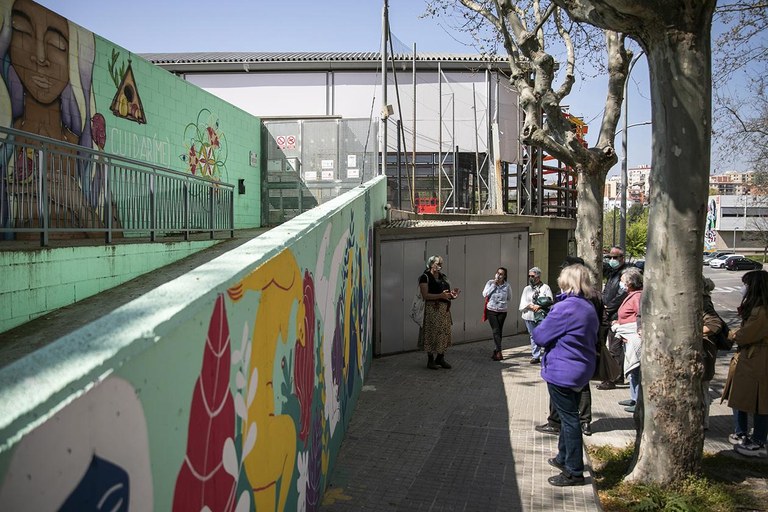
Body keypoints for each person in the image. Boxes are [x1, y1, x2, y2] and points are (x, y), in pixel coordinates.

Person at [534, 264, 598, 486]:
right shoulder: (587, 306)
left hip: (563, 370)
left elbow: (540, 336)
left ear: (567, 281)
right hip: (581, 369)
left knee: (569, 420)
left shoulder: (565, 308)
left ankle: (573, 471)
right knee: (566, 415)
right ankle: (563, 457)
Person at [721, 269, 768, 457]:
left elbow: (745, 335)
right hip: (751, 359)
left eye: (746, 284)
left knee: (760, 401)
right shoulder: (757, 308)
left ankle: (758, 441)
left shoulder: (761, 311)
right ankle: (744, 434)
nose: (743, 288)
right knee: (744, 398)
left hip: (757, 360)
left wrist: (732, 334)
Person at [418, 255, 460, 370]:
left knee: (444, 333)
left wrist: (452, 295)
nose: (440, 266)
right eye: (437, 263)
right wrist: (440, 295)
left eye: (441, 264)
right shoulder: (425, 277)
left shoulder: (443, 277)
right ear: (431, 264)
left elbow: (446, 294)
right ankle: (430, 360)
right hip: (432, 310)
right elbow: (425, 295)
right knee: (431, 333)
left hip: (444, 310)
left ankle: (440, 358)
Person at [597, 246, 629, 390]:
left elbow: (622, 294)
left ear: (622, 258)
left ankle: (614, 378)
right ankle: (617, 376)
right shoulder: (613, 273)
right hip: (610, 315)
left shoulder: (624, 274)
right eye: (610, 257)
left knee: (614, 348)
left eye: (615, 257)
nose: (612, 260)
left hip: (616, 316)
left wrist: (608, 308)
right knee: (612, 347)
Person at [611, 267, 643, 412]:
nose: (621, 284)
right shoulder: (632, 295)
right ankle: (634, 397)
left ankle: (638, 401)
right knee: (633, 372)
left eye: (623, 281)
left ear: (629, 283)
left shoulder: (637, 296)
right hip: (626, 337)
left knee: (636, 370)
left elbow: (640, 315)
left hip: (633, 338)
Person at [701, 276, 725, 430]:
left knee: (702, 387)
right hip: (702, 351)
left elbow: (715, 324)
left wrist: (689, 334)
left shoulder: (702, 300)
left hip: (704, 351)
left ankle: (702, 423)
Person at [519, 266, 553, 364]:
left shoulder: (545, 288)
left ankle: (547, 354)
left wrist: (539, 306)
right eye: (529, 276)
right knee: (533, 335)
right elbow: (523, 302)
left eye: (532, 276)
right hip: (529, 315)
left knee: (543, 334)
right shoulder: (527, 289)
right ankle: (536, 356)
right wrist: (531, 306)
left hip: (541, 315)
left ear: (538, 276)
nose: (530, 278)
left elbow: (549, 300)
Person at [483, 267, 513, 361]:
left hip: (502, 311)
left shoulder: (507, 286)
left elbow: (509, 297)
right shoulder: (490, 282)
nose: (499, 275)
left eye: (501, 274)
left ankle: (495, 351)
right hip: (491, 310)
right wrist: (494, 285)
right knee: (496, 330)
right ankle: (499, 352)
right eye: (498, 273)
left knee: (499, 332)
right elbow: (485, 294)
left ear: (504, 276)